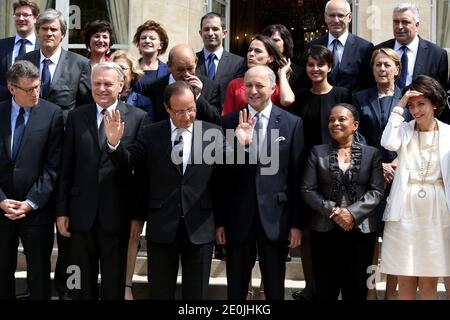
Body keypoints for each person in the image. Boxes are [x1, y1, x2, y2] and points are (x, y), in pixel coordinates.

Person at [105, 81, 222, 300]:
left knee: (197, 296)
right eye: (180, 111)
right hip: (162, 226)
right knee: (160, 291)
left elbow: (228, 175)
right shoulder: (151, 134)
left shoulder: (212, 133)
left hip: (199, 226)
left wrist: (244, 147)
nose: (187, 116)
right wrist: (114, 144)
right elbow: (129, 162)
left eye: (191, 109)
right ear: (167, 109)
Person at [55, 62, 148, 300]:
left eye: (108, 83)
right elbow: (67, 167)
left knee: (113, 285)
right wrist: (62, 211)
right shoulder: (77, 116)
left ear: (121, 86)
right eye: (97, 83)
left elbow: (139, 172)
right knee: (79, 283)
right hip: (80, 215)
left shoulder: (138, 118)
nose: (102, 88)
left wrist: (115, 145)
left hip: (117, 215)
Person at [217, 65, 304, 300]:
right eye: (248, 86)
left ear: (274, 88)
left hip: (277, 217)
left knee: (275, 286)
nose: (253, 91)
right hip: (238, 216)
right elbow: (221, 177)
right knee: (236, 286)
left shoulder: (292, 123)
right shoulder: (227, 123)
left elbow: (296, 177)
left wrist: (296, 223)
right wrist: (220, 222)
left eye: (259, 85)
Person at [301, 103, 384, 300]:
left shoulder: (372, 154)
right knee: (325, 289)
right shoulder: (317, 152)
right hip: (324, 229)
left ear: (355, 125)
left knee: (357, 289)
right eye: (331, 120)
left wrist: (352, 213)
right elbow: (307, 189)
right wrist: (335, 211)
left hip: (361, 230)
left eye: (341, 119)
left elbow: (377, 190)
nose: (335, 123)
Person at [290, 44, 352, 301]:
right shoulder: (300, 96)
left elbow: (350, 131)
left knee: (336, 227)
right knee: (307, 230)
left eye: (321, 64)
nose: (315, 69)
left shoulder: (342, 94)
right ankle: (310, 286)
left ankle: (334, 286)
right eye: (311, 64)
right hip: (306, 170)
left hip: (336, 169)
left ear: (330, 67)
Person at [380, 75, 450, 300]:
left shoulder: (448, 133)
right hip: (405, 207)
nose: (416, 110)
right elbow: (388, 143)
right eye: (412, 105)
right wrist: (399, 107)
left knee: (430, 276)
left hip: (437, 209)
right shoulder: (405, 129)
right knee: (405, 273)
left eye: (421, 104)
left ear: (435, 103)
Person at [0, 60, 64, 300]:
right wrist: (2, 201)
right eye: (29, 89)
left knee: (38, 275)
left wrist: (31, 202)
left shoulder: (52, 113)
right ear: (12, 88)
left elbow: (53, 165)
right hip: (2, 210)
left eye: (38, 86)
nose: (36, 93)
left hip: (36, 211)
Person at [353, 48, 412, 300]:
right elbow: (357, 135)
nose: (382, 69)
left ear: (397, 69)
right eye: (378, 65)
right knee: (371, 240)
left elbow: (415, 133)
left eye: (387, 65)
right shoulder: (359, 97)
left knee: (394, 239)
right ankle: (370, 290)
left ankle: (391, 293)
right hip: (370, 176)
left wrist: (398, 161)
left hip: (401, 175)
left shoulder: (409, 99)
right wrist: (378, 165)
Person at [110, 50, 152, 300]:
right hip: (107, 181)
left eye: (123, 69)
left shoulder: (142, 105)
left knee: (133, 233)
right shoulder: (99, 101)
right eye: (114, 67)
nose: (119, 73)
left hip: (134, 179)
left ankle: (126, 284)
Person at [17, 9, 92, 119]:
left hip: (64, 130)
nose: (49, 33)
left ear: (62, 34)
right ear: (37, 32)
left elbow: (86, 106)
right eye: (44, 29)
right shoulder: (23, 61)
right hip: (30, 129)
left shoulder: (80, 64)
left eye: (53, 29)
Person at [298, 0, 374, 91]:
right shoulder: (312, 46)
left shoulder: (364, 48)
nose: (336, 20)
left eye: (341, 15)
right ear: (325, 17)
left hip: (352, 103)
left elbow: (368, 85)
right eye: (332, 15)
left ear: (349, 17)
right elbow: (306, 81)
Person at [140, 44, 220, 124]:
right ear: (169, 66)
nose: (186, 74)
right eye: (180, 70)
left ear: (196, 62)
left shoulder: (210, 86)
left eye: (190, 68)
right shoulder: (153, 88)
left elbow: (215, 120)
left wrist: (198, 97)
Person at [376, 3, 448, 90]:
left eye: (405, 22)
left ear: (417, 25)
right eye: (396, 22)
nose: (399, 27)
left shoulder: (437, 55)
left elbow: (440, 93)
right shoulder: (379, 50)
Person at [221, 34, 295, 116]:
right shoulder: (235, 84)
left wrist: (282, 74)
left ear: (270, 58)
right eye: (250, 50)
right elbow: (226, 118)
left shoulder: (277, 86)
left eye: (258, 51)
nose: (251, 54)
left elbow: (287, 100)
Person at [196, 12, 245, 105]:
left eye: (215, 29)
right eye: (206, 29)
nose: (210, 33)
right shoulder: (191, 60)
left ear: (224, 33)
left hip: (225, 116)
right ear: (200, 33)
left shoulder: (238, 63)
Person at [0, 1, 40, 100]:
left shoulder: (43, 46)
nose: (21, 18)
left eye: (26, 15)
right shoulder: (1, 45)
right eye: (17, 15)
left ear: (35, 18)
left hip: (36, 105)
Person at [111, 50, 153, 120]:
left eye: (122, 68)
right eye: (114, 68)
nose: (118, 71)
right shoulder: (104, 98)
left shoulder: (143, 103)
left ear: (133, 74)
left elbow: (146, 129)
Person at [262, 23, 301, 91]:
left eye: (275, 40)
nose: (271, 43)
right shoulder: (256, 67)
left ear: (285, 43)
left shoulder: (298, 72)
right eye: (267, 40)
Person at [133, 20, 169, 85]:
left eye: (152, 38)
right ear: (138, 43)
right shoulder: (132, 68)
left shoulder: (168, 70)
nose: (147, 41)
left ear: (160, 45)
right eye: (143, 38)